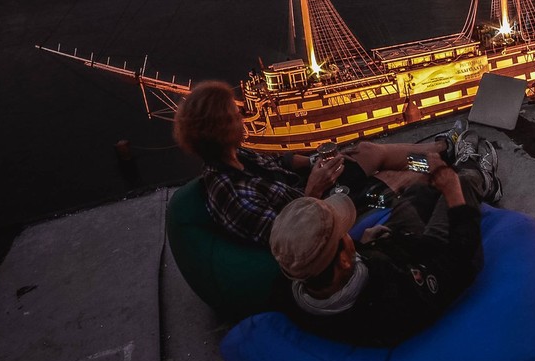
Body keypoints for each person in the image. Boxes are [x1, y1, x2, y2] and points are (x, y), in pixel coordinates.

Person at [172, 80, 474, 245]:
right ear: (221, 129)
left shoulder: (238, 156)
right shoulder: (228, 191)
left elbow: (281, 161)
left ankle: (444, 147)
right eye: (235, 116)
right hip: (322, 212)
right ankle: (442, 167)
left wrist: (316, 160)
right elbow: (286, 238)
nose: (242, 118)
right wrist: (314, 191)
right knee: (401, 176)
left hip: (318, 191)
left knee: (367, 150)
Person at [269, 143, 497, 346]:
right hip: (429, 256)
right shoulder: (394, 296)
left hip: (388, 247)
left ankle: (440, 155)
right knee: (462, 182)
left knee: (419, 189)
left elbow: (330, 270)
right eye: (343, 235)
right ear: (344, 260)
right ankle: (481, 176)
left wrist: (362, 245)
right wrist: (452, 188)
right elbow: (459, 261)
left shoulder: (293, 285)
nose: (348, 235)